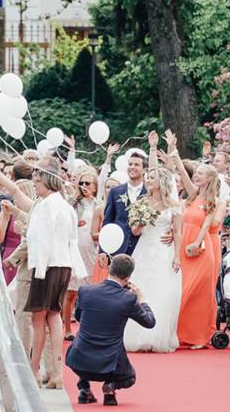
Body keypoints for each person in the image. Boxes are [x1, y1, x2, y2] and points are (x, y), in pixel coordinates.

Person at [0, 157, 87, 389]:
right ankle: (56, 373)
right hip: (63, 266)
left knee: (38, 319)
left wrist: (38, 270)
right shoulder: (65, 206)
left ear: (47, 181)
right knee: (53, 316)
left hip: (45, 267)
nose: (34, 186)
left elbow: (40, 239)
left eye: (37, 182)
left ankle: (34, 370)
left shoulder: (46, 206)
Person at [65, 255, 156, 406]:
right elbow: (150, 322)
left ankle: (84, 388)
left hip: (79, 360)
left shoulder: (86, 291)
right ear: (128, 277)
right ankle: (110, 386)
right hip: (109, 365)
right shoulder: (129, 299)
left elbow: (80, 317)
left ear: (109, 269)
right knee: (130, 377)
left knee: (82, 341)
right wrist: (142, 299)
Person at [169, 131, 225, 350]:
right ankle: (183, 333)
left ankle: (200, 336)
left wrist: (196, 242)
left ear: (210, 178)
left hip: (202, 250)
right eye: (197, 172)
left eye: (201, 173)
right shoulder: (193, 195)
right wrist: (173, 151)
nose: (197, 176)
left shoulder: (215, 201)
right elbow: (183, 173)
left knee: (198, 293)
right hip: (184, 247)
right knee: (183, 290)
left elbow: (210, 224)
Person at [124, 166, 183, 352]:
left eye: (152, 177)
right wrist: (140, 223)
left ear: (162, 181)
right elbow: (134, 231)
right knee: (141, 289)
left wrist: (177, 256)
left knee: (163, 292)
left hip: (164, 251)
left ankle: (157, 336)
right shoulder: (142, 202)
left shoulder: (174, 204)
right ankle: (136, 336)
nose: (148, 180)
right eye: (148, 177)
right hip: (144, 249)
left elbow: (178, 231)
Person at [63, 167, 101, 340]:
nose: (84, 186)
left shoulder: (100, 204)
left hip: (92, 250)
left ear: (95, 186)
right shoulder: (73, 203)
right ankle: (67, 329)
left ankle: (86, 329)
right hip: (75, 249)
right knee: (70, 292)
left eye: (88, 183)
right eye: (81, 183)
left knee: (88, 293)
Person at [100, 150, 148, 259]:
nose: (132, 167)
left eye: (136, 164)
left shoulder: (149, 194)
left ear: (144, 169)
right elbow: (107, 221)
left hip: (141, 246)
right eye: (130, 164)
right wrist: (103, 250)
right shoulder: (115, 192)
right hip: (118, 246)